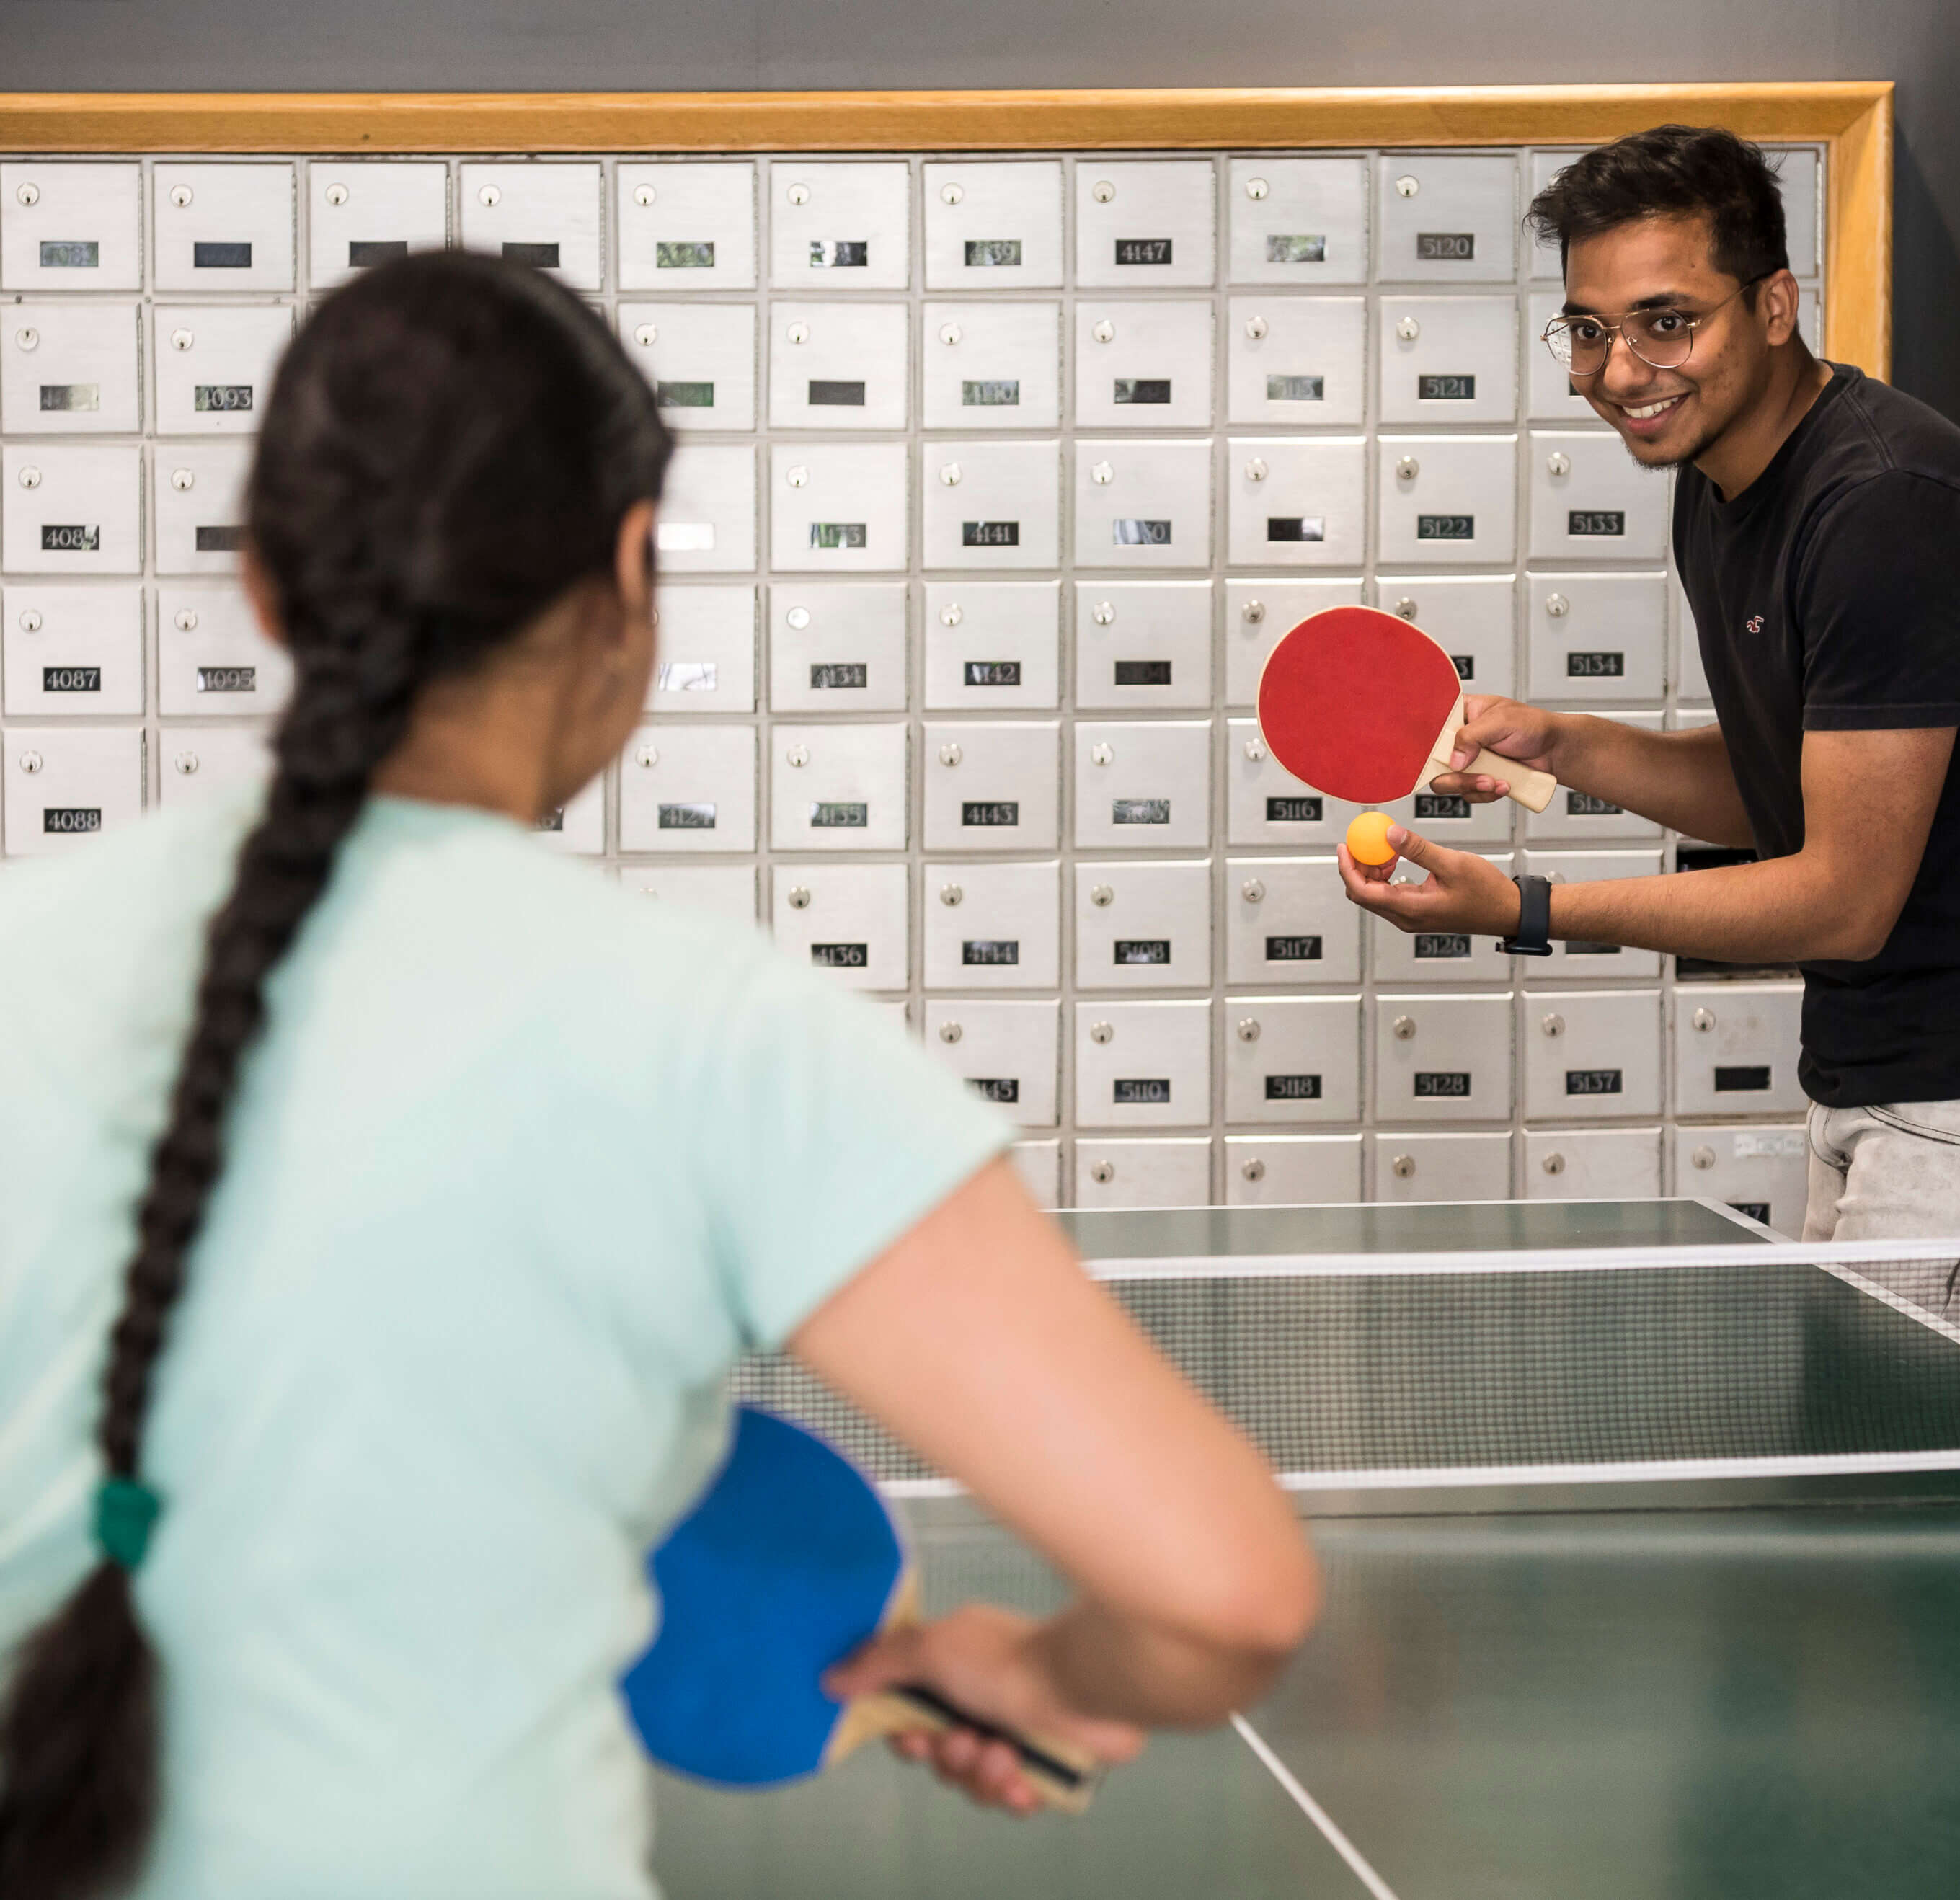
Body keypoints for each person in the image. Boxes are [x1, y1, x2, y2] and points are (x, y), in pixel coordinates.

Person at [0, 252, 1318, 1900]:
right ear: (630, 567)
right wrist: (1039, 1676)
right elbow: (1224, 1593)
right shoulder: (718, 1035)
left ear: (265, 587)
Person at [1336, 126, 1960, 1358]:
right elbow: (1789, 798)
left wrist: (1527, 908)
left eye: (1668, 321)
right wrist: (1561, 742)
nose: (1621, 372)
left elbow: (1842, 897)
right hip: (1883, 1047)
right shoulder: (1723, 482)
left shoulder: (1888, 512)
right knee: (1863, 1441)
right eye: (1587, 328)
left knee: (1901, 1458)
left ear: (1775, 305)